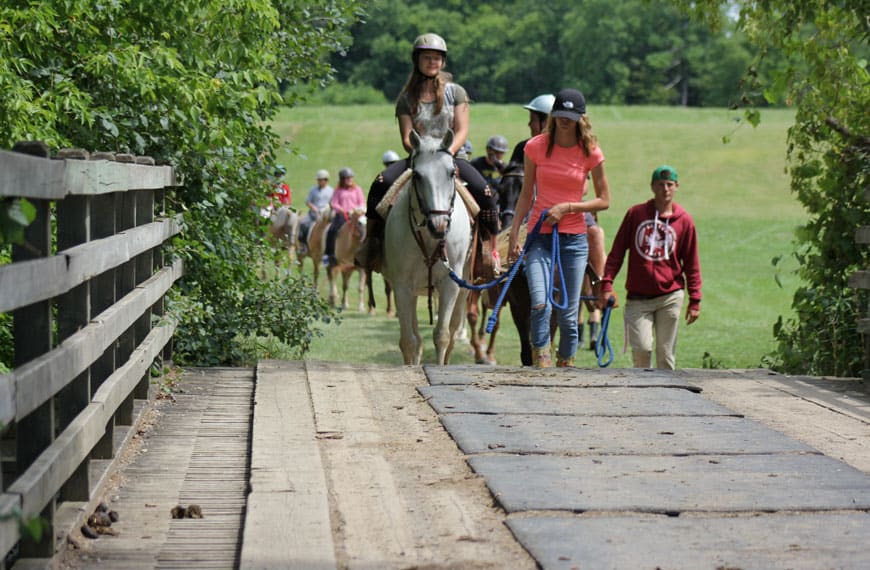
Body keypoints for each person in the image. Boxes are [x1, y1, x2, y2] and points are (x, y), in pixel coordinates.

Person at [356, 32, 500, 271]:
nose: (432, 62)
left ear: (443, 62)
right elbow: (406, 137)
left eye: (437, 58)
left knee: (485, 193)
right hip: (418, 160)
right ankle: (372, 243)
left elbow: (462, 130)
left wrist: (446, 154)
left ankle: (488, 251)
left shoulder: (457, 93)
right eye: (427, 57)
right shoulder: (406, 98)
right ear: (417, 60)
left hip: (452, 157)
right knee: (380, 183)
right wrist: (422, 155)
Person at [508, 88, 611, 368]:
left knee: (567, 314)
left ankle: (567, 366)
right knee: (540, 304)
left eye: (571, 116)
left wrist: (568, 208)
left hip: (574, 239)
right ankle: (541, 364)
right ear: (554, 116)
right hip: (539, 237)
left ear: (580, 118)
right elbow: (526, 194)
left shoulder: (590, 152)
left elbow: (605, 200)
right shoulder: (536, 147)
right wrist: (516, 232)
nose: (565, 121)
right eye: (560, 115)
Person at [598, 165, 702, 370]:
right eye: (661, 184)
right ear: (652, 187)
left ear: (677, 187)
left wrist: (695, 299)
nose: (665, 189)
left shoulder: (685, 221)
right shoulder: (636, 215)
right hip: (638, 298)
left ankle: (667, 398)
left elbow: (691, 263)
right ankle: (643, 397)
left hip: (670, 296)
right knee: (642, 351)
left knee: (666, 355)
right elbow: (617, 252)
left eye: (670, 184)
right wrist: (607, 284)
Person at [324, 167, 365, 265]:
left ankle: (366, 252)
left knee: (365, 229)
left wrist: (358, 210)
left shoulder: (357, 189)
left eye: (351, 178)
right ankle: (329, 255)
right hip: (342, 215)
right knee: (332, 230)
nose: (350, 180)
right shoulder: (338, 190)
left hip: (356, 215)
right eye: (347, 178)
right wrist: (343, 210)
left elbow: (362, 202)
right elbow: (334, 203)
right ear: (342, 180)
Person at [298, 169, 333, 250]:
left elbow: (332, 203)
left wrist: (327, 208)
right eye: (318, 180)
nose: (319, 181)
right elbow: (307, 202)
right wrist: (314, 208)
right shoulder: (313, 190)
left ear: (326, 180)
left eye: (321, 180)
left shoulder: (331, 191)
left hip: (326, 214)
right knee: (303, 224)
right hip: (313, 214)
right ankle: (303, 245)